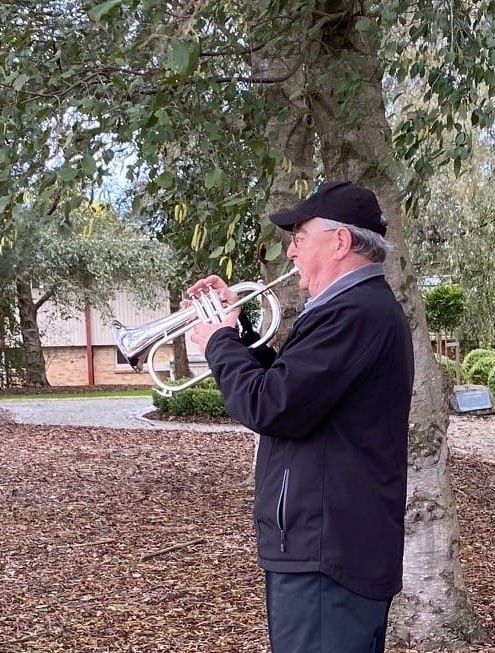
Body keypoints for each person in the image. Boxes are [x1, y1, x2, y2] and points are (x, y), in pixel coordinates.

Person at [186, 180, 415, 653]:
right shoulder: (352, 310)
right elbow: (296, 386)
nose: (291, 253)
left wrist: (217, 342)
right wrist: (239, 325)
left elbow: (269, 404)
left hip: (325, 554)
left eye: (299, 237)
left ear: (340, 242)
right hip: (327, 547)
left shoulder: (353, 312)